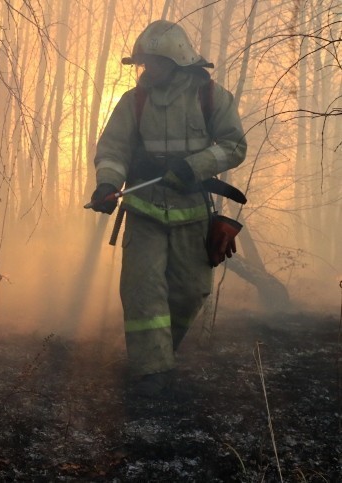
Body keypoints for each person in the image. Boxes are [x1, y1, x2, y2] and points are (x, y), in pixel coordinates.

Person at [88, 20, 247, 396]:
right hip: (144, 211)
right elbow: (113, 149)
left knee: (191, 291)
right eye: (143, 63)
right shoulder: (133, 102)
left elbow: (233, 145)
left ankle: (162, 352)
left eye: (153, 62)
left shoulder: (211, 96)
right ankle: (151, 373)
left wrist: (193, 167)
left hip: (192, 214)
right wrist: (108, 184)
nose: (146, 70)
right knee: (143, 289)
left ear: (176, 60)